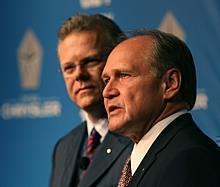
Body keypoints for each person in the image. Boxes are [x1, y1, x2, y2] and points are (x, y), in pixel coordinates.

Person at [102, 29, 220, 187]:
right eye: (106, 80)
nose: (107, 92)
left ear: (170, 84)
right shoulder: (145, 156)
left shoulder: (190, 160)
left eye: (124, 75)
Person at [50, 14, 132, 187]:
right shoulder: (63, 148)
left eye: (90, 61)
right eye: (69, 68)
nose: (79, 74)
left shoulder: (139, 137)